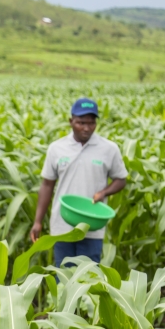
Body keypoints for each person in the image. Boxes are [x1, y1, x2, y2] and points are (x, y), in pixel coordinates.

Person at [30, 97, 128, 267]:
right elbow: (47, 185)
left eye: (91, 123)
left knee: (88, 280)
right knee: (64, 278)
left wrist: (104, 192)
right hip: (62, 226)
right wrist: (38, 221)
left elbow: (121, 179)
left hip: (92, 227)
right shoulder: (57, 148)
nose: (86, 128)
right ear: (71, 122)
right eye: (81, 123)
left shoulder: (109, 149)